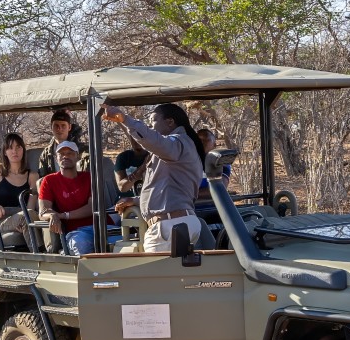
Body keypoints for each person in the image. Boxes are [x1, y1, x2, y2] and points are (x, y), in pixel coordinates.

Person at [103, 103, 205, 253]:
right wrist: (138, 201)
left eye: (153, 121)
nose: (151, 128)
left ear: (170, 122)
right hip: (178, 224)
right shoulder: (184, 146)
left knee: (153, 276)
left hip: (168, 227)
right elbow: (170, 190)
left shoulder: (176, 143)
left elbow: (153, 139)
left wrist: (125, 119)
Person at [0, 133, 39, 247]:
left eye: (18, 147)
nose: (14, 151)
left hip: (24, 216)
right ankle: (41, 256)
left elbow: (30, 208)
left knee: (31, 216)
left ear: (23, 150)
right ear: (5, 152)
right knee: (27, 217)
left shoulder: (32, 175)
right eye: (10, 147)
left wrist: (25, 220)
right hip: (2, 220)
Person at [37, 141, 96, 255]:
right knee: (81, 244)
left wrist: (64, 215)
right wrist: (52, 215)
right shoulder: (49, 180)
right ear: (56, 158)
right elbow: (43, 212)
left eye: (70, 153)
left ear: (77, 156)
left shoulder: (89, 177)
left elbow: (92, 207)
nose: (65, 156)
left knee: (124, 243)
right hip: (76, 232)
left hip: (101, 227)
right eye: (61, 154)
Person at [37, 109, 89, 178]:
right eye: (56, 125)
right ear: (51, 127)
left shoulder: (82, 149)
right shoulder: (46, 153)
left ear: (69, 127)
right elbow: (43, 177)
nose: (59, 129)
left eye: (63, 125)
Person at [196, 128, 231, 200]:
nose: (201, 143)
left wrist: (189, 195)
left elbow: (220, 189)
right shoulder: (187, 162)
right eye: (198, 140)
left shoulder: (222, 161)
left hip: (214, 208)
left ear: (214, 145)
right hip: (191, 208)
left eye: (206, 140)